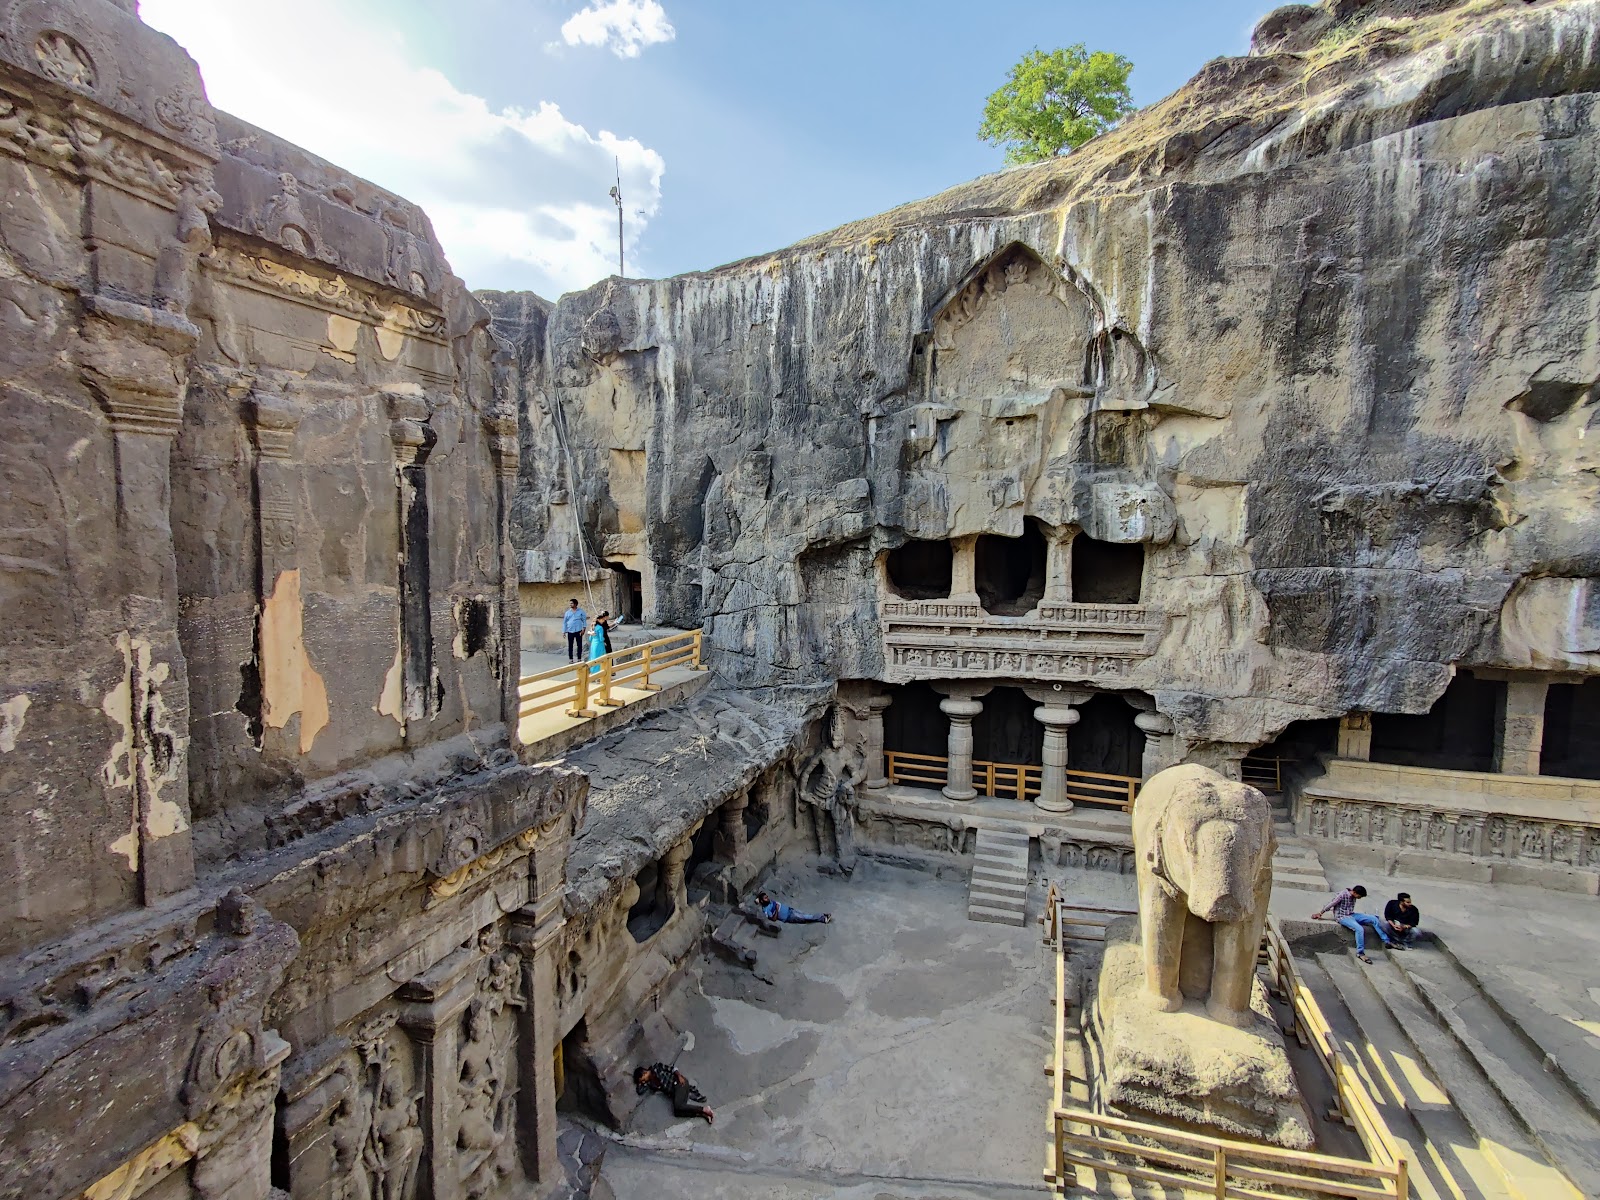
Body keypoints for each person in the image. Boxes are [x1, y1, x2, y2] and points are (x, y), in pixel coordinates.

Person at [1312, 884, 1396, 963]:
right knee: (1359, 929)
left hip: (1351, 914)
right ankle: (1360, 953)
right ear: (1355, 892)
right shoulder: (1342, 895)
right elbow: (1331, 904)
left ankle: (1386, 941)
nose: (1359, 898)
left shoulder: (1353, 894)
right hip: (1342, 917)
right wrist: (1320, 913)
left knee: (1374, 919)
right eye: (1359, 896)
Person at [634, 1063, 713, 1124]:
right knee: (677, 1112)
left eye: (642, 1079)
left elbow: (673, 1069)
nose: (643, 1082)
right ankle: (702, 1114)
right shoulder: (650, 1083)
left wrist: (679, 1076)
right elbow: (640, 1091)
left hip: (679, 1083)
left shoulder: (657, 1067)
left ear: (644, 1073)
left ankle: (704, 1109)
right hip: (676, 1092)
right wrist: (640, 1083)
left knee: (678, 1106)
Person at [756, 891, 831, 924]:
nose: (768, 898)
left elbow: (758, 899)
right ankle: (823, 917)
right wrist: (776, 909)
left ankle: (822, 917)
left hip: (790, 910)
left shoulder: (769, 902)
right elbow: (773, 919)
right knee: (806, 917)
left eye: (767, 897)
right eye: (765, 898)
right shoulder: (766, 910)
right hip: (788, 916)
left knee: (805, 915)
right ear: (762, 901)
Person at [562, 599, 587, 663]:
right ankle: (571, 659)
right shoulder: (567, 612)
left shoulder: (581, 611)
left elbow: (584, 620)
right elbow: (564, 622)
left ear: (575, 604)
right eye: (570, 603)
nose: (570, 605)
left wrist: (584, 629)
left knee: (579, 645)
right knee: (570, 645)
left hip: (578, 630)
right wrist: (564, 631)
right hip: (570, 630)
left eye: (572, 603)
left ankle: (579, 658)